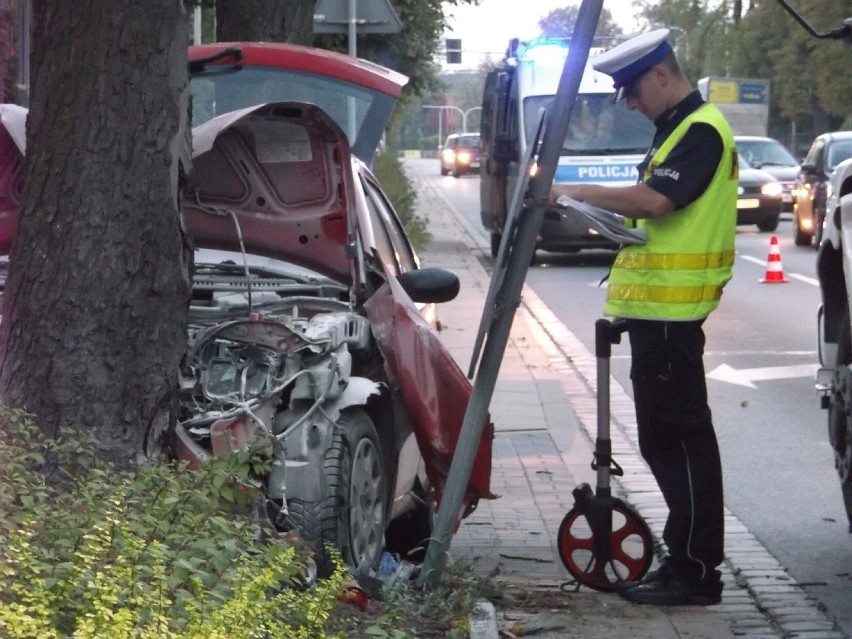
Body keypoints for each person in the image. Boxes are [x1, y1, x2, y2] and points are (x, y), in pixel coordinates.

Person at [551, 28, 737, 606]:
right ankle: (686, 561)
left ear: (661, 74)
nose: (629, 102)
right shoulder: (677, 130)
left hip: (672, 319)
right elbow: (656, 218)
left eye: (632, 90)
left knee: (681, 444)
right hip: (659, 317)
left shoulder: (700, 130)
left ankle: (696, 572)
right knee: (667, 441)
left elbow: (657, 202)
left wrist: (571, 189)